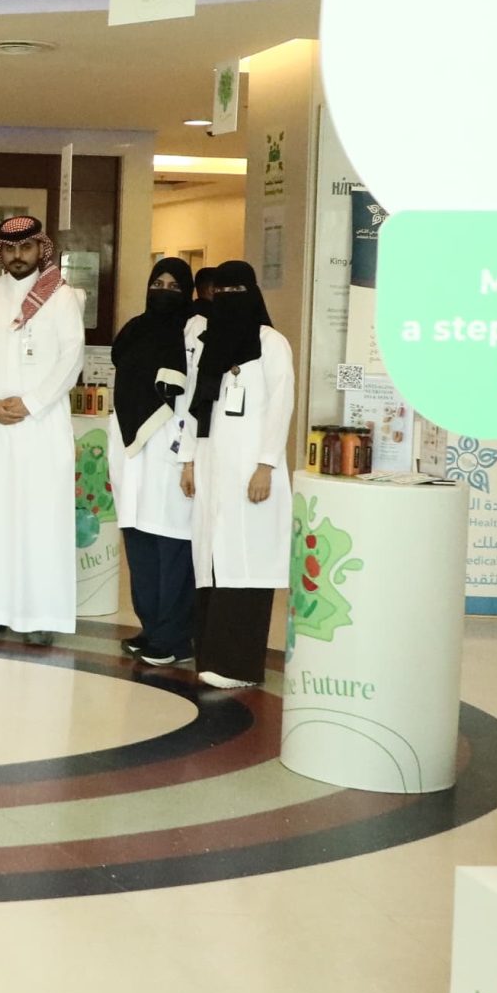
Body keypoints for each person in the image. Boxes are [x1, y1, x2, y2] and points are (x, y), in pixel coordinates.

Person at [0, 215, 85, 645]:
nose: (17, 256)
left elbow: (72, 356)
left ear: (40, 248)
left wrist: (32, 403)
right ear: (0, 251)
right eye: (9, 249)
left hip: (41, 425)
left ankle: (40, 616)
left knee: (41, 518)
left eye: (26, 247)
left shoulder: (61, 297)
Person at [182, 259, 295, 690]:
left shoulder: (272, 344)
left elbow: (280, 406)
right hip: (212, 467)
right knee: (213, 560)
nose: (229, 300)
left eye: (237, 292)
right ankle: (211, 656)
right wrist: (188, 460)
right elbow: (196, 406)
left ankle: (238, 666)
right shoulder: (210, 343)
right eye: (222, 293)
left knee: (247, 563)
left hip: (252, 471)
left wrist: (266, 465)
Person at [112, 258, 198, 665]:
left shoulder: (193, 332)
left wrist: (189, 458)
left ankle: (174, 637)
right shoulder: (134, 329)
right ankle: (150, 627)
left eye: (174, 286)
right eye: (157, 283)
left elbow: (194, 399)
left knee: (172, 542)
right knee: (140, 540)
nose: (164, 292)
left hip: (172, 448)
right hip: (132, 449)